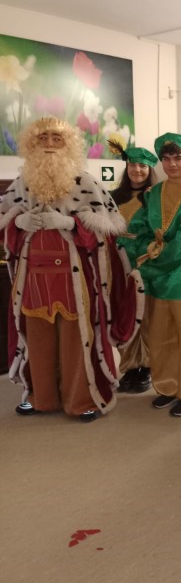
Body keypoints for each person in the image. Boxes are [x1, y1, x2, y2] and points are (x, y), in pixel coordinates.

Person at [0, 117, 142, 422]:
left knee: (77, 340)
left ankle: (81, 399)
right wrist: (18, 222)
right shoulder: (22, 184)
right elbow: (5, 227)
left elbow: (105, 234)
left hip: (74, 280)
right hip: (33, 281)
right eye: (43, 138)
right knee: (37, 340)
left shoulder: (86, 183)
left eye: (57, 138)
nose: (50, 144)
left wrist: (70, 223)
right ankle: (41, 397)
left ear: (70, 145)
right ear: (32, 144)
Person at [119, 133, 181, 417]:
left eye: (178, 158)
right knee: (160, 336)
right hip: (155, 276)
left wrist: (152, 260)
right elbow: (138, 230)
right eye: (166, 158)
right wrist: (144, 252)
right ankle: (168, 387)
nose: (172, 164)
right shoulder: (152, 194)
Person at [108, 141, 159, 393]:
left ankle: (146, 367)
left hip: (144, 261)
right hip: (118, 261)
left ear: (149, 169)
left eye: (142, 166)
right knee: (123, 311)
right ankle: (129, 367)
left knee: (145, 314)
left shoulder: (155, 197)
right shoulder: (113, 197)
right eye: (132, 165)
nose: (137, 170)